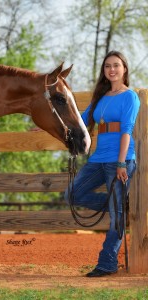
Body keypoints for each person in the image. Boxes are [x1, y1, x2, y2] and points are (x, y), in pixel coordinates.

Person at [65, 50, 140, 277]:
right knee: (72, 194)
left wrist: (121, 163)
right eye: (108, 66)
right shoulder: (100, 97)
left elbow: (126, 130)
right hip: (98, 159)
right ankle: (117, 209)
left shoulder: (130, 97)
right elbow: (80, 120)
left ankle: (107, 264)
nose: (112, 69)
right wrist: (52, 125)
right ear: (104, 71)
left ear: (124, 69)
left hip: (120, 159)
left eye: (116, 65)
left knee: (117, 218)